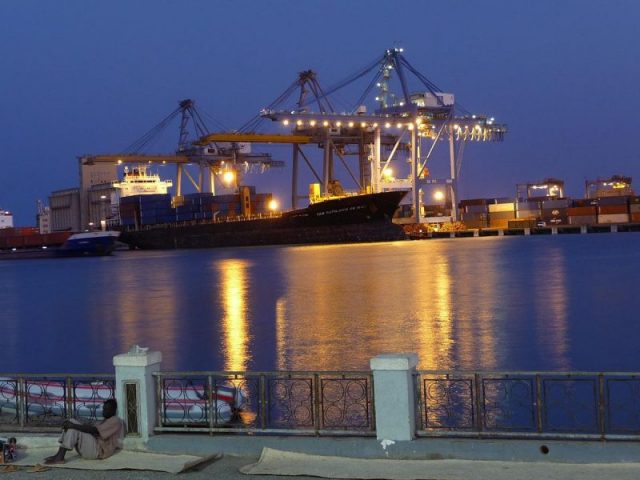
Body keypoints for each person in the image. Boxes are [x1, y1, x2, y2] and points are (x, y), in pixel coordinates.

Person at [44, 398, 124, 465]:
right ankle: (59, 454)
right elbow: (91, 429)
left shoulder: (115, 420)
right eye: (104, 409)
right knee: (71, 422)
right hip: (91, 447)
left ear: (113, 410)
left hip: (98, 451)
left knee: (73, 426)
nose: (104, 411)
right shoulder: (104, 421)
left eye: (107, 409)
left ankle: (60, 456)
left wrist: (73, 425)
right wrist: (74, 425)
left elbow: (95, 430)